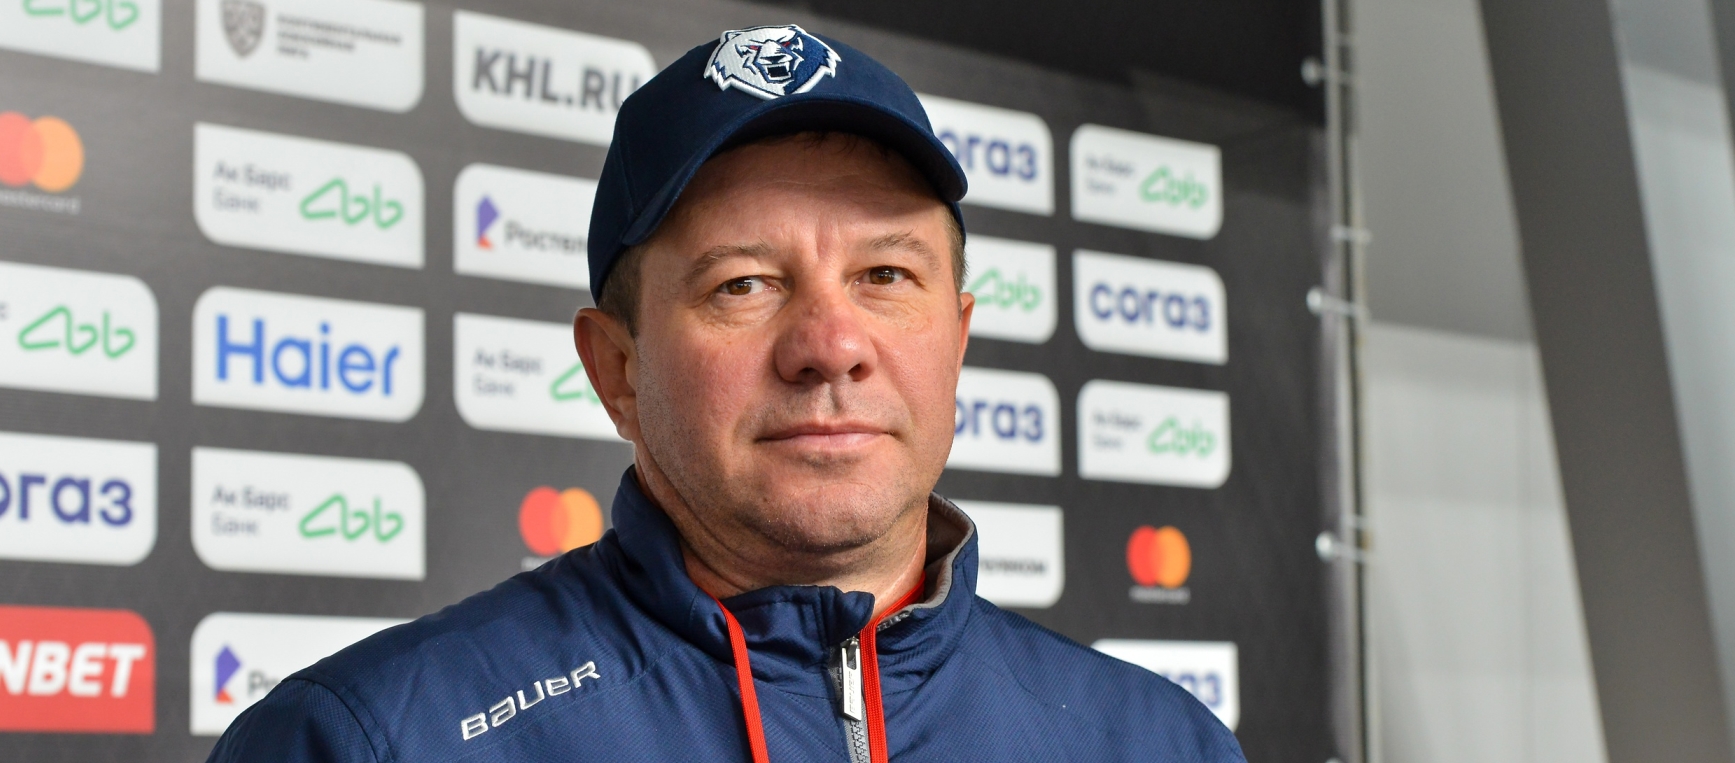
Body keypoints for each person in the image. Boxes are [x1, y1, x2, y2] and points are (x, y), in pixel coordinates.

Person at [207, 24, 1245, 763]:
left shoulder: (1160, 742)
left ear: (957, 338)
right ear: (616, 369)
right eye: (742, 284)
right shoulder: (370, 739)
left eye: (886, 275)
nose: (831, 345)